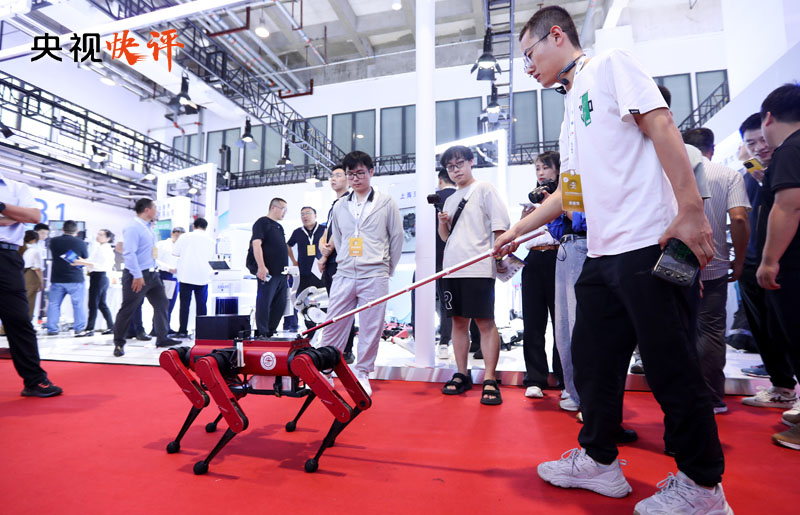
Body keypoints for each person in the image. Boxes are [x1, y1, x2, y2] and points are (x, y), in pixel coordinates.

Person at [498, 7, 729, 512]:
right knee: (592, 362)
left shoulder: (610, 65)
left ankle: (702, 487)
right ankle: (599, 461)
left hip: (647, 243)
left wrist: (691, 210)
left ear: (556, 36)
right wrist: (517, 231)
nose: (528, 67)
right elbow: (569, 191)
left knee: (670, 367)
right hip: (601, 254)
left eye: (529, 54)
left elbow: (661, 123)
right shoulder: (570, 107)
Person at [318, 151, 403, 395]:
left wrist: (387, 268)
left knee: (370, 327)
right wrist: (344, 259)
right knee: (333, 323)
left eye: (360, 173)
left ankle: (362, 373)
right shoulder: (339, 205)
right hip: (344, 273)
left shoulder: (385, 202)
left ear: (371, 172)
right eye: (350, 174)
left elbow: (396, 238)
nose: (355, 178)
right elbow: (339, 238)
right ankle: (325, 370)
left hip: (375, 273)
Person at [682, 128, 751, 414]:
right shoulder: (729, 175)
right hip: (715, 264)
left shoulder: (675, 173)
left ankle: (683, 395)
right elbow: (739, 218)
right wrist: (739, 260)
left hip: (677, 264)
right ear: (711, 149)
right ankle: (711, 398)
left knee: (679, 329)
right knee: (710, 330)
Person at [438, 145, 510, 405]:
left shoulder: (484, 189)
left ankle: (490, 377)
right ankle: (462, 373)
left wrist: (499, 258)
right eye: (450, 167)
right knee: (458, 323)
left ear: (471, 162)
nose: (455, 170)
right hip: (451, 268)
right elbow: (445, 237)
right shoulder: (449, 199)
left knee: (485, 322)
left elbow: (501, 226)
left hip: (478, 266)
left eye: (459, 164)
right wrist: (442, 222)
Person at [737, 113, 798, 408]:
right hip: (752, 262)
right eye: (751, 143)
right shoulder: (750, 176)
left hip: (783, 263)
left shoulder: (788, 163)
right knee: (764, 329)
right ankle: (781, 388)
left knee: (788, 329)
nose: (759, 147)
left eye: (762, 139)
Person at [754, 83, 800, 448]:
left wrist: (769, 261)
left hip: (793, 265)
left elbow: (789, 205)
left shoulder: (790, 150)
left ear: (768, 117)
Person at [0, 171, 62, 397]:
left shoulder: (16, 187)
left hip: (6, 257)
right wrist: (13, 216)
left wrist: (1, 206)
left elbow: (34, 216)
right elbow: (21, 217)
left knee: (19, 319)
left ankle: (35, 380)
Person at [112, 198, 180, 357]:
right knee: (128, 308)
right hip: (137, 275)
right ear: (147, 210)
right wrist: (137, 275)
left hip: (152, 274)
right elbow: (129, 253)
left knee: (162, 303)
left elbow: (151, 253)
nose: (157, 211)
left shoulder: (148, 228)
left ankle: (162, 338)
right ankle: (119, 344)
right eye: (155, 208)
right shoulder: (133, 227)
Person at [520, 151, 563, 400]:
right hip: (533, 259)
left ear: (558, 169)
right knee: (532, 322)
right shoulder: (531, 202)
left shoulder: (565, 197)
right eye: (537, 168)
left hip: (559, 258)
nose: (541, 173)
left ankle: (563, 376)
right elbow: (521, 236)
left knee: (562, 322)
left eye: (545, 167)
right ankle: (535, 378)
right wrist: (524, 221)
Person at [319, 165, 357, 363]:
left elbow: (342, 230)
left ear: (348, 179)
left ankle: (346, 349)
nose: (333, 179)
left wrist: (325, 255)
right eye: (332, 176)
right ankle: (335, 347)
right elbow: (327, 231)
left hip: (341, 261)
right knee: (334, 307)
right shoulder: (334, 203)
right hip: (331, 261)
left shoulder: (349, 201)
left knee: (344, 307)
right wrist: (322, 248)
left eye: (338, 175)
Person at [246, 198, 290, 337]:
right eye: (283, 209)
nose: (284, 212)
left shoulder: (279, 227)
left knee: (280, 304)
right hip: (268, 272)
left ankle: (271, 332)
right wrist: (261, 266)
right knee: (264, 302)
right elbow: (256, 244)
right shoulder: (262, 223)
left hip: (281, 273)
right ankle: (262, 333)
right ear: (273, 207)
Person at [173, 218, 214, 338]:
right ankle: (202, 332)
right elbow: (212, 257)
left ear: (194, 226)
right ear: (205, 227)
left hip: (186, 274)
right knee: (202, 305)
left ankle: (182, 331)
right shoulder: (210, 240)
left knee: (184, 305)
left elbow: (175, 252)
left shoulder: (185, 237)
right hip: (202, 276)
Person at [46, 220, 88, 335]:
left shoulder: (54, 241)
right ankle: (79, 329)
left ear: (63, 229)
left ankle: (52, 329)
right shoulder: (81, 242)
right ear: (77, 230)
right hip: (75, 278)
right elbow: (85, 257)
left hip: (57, 277)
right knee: (78, 305)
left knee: (54, 304)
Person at [287, 206, 325, 332]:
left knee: (322, 300)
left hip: (320, 273)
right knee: (305, 301)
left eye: (308, 213)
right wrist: (294, 261)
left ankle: (324, 328)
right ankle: (310, 330)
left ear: (315, 215)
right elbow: (288, 245)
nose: (305, 216)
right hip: (304, 273)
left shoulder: (324, 230)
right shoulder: (298, 232)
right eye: (302, 214)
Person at [74, 229, 116, 336]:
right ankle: (111, 327)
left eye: (101, 235)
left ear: (108, 238)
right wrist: (82, 261)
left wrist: (82, 262)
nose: (98, 236)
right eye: (98, 234)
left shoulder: (104, 249)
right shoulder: (101, 247)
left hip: (99, 277)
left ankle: (90, 329)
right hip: (100, 277)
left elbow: (100, 265)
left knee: (93, 304)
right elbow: (92, 261)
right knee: (101, 304)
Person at [434, 168, 457, 360]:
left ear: (440, 180)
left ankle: (441, 341)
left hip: (432, 258)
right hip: (457, 257)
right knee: (452, 301)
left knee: (442, 301)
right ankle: (447, 340)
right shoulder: (461, 197)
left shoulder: (434, 199)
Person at [156, 226, 185, 334]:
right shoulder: (161, 244)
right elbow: (154, 259)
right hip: (164, 275)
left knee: (170, 304)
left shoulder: (181, 247)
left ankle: (166, 327)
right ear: (172, 233)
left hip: (175, 277)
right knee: (162, 303)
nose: (178, 237)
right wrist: (168, 268)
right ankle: (157, 329)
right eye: (177, 235)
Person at [21, 230, 43, 320]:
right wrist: (41, 282)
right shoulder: (34, 251)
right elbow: (38, 269)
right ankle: (25, 323)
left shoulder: (18, 248)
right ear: (34, 240)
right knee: (29, 301)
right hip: (30, 276)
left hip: (17, 275)